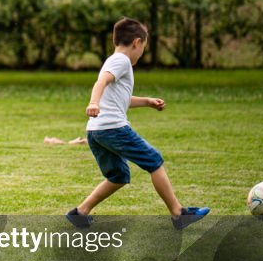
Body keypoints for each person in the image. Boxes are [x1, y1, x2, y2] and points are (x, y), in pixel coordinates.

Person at [66, 18, 209, 230]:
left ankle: (80, 212)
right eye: (143, 47)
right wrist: (93, 102)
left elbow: (120, 99)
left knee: (118, 176)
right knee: (154, 160)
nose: (142, 53)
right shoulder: (121, 61)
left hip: (96, 131)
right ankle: (179, 214)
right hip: (113, 128)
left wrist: (147, 102)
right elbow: (101, 83)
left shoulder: (113, 61)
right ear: (136, 42)